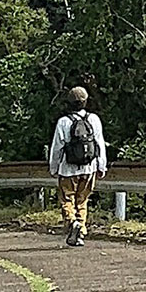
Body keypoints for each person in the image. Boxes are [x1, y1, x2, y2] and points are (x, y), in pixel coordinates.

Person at [47, 86, 107, 246]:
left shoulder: (63, 122)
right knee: (82, 200)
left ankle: (73, 222)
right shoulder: (94, 119)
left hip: (68, 169)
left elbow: (57, 148)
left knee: (67, 199)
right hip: (89, 168)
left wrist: (53, 168)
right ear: (85, 101)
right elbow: (99, 144)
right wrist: (102, 166)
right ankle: (80, 232)